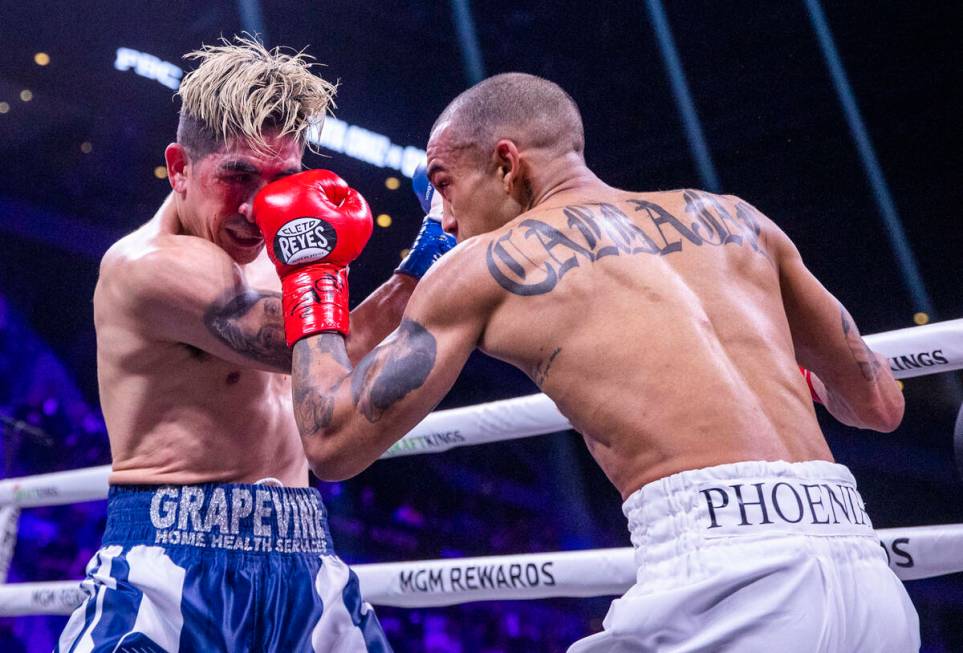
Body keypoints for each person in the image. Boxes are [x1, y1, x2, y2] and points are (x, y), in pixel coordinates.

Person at [259, 72, 921, 651]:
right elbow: (878, 403)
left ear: (506, 164)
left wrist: (310, 280)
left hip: (724, 592)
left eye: (442, 186)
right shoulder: (738, 220)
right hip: (870, 582)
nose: (443, 220)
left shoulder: (489, 264)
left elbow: (331, 440)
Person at [56, 37, 452, 652]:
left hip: (303, 553)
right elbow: (304, 343)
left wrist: (435, 248)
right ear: (181, 167)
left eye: (278, 182)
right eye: (236, 176)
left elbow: (331, 343)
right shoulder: (146, 266)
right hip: (171, 559)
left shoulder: (280, 247)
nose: (255, 206)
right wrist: (426, 259)